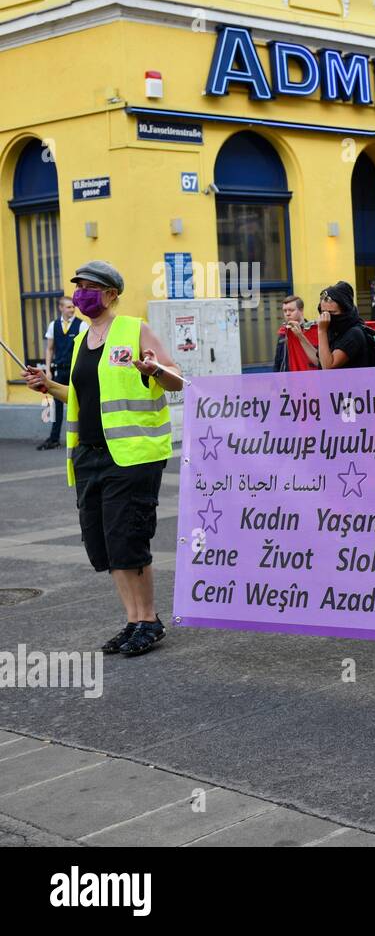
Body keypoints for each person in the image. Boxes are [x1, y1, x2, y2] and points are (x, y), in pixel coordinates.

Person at [23, 261, 183, 657]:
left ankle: (149, 620)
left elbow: (176, 379)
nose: (80, 294)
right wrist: (48, 385)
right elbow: (79, 396)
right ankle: (132, 620)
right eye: (77, 287)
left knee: (127, 536)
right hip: (89, 455)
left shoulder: (134, 328)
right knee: (105, 544)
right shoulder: (80, 339)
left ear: (111, 293)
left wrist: (155, 369)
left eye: (89, 287)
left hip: (132, 454)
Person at [38, 296, 82, 450]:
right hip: (60, 369)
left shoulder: (82, 325)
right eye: (69, 307)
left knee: (78, 403)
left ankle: (81, 438)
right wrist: (48, 370)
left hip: (75, 370)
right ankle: (54, 438)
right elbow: (50, 349)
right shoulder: (53, 325)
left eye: (73, 307)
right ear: (61, 308)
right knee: (56, 405)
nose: (72, 309)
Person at [317, 282, 374, 370]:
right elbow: (320, 359)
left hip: (351, 383)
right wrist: (300, 337)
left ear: (345, 310)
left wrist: (321, 331)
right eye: (323, 312)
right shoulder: (334, 329)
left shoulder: (354, 333)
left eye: (332, 313)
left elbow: (327, 366)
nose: (327, 317)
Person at [274, 296, 317, 372]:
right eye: (285, 311)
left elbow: (319, 360)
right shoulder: (283, 333)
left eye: (291, 310)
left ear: (301, 310)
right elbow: (278, 361)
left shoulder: (313, 330)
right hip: (289, 378)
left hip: (311, 378)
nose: (287, 314)